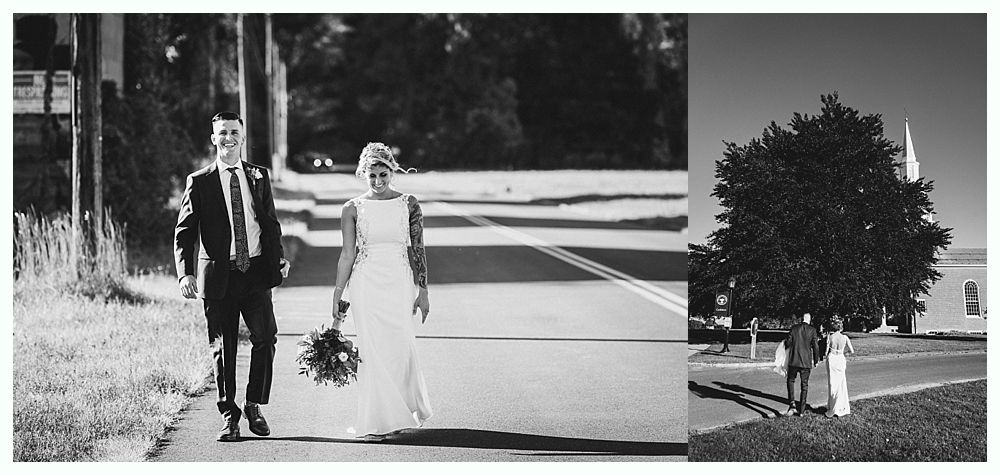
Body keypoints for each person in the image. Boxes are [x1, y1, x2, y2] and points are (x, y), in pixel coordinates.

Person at [175, 111, 291, 441]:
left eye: (234, 132)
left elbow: (269, 222)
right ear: (214, 138)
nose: (228, 138)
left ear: (243, 137)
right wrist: (184, 273)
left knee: (265, 337)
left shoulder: (258, 175)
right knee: (223, 348)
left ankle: (254, 403)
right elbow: (184, 231)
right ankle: (230, 416)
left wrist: (278, 258)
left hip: (254, 271)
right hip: (218, 276)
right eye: (222, 132)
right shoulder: (199, 181)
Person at [331, 142, 433, 439]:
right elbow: (348, 254)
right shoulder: (351, 208)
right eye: (371, 176)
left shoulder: (409, 204)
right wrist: (339, 292)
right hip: (365, 283)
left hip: (399, 282)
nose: (377, 182)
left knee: (399, 346)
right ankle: (379, 418)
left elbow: (419, 249)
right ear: (363, 173)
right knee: (373, 351)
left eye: (383, 175)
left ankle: (399, 409)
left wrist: (423, 290)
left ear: (392, 172)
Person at [783, 312, 820, 416]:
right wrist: (816, 360)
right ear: (809, 319)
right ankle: (802, 410)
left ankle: (792, 404)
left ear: (802, 319)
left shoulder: (794, 328)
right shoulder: (812, 330)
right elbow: (815, 346)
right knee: (804, 385)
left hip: (794, 360)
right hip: (806, 362)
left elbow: (788, 343)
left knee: (790, 381)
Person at [824, 317, 855, 418]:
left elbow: (825, 352)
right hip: (841, 359)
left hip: (832, 358)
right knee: (841, 383)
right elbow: (852, 351)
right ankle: (841, 407)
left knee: (832, 383)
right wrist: (843, 353)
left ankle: (832, 407)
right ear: (841, 328)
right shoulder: (845, 338)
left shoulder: (830, 337)